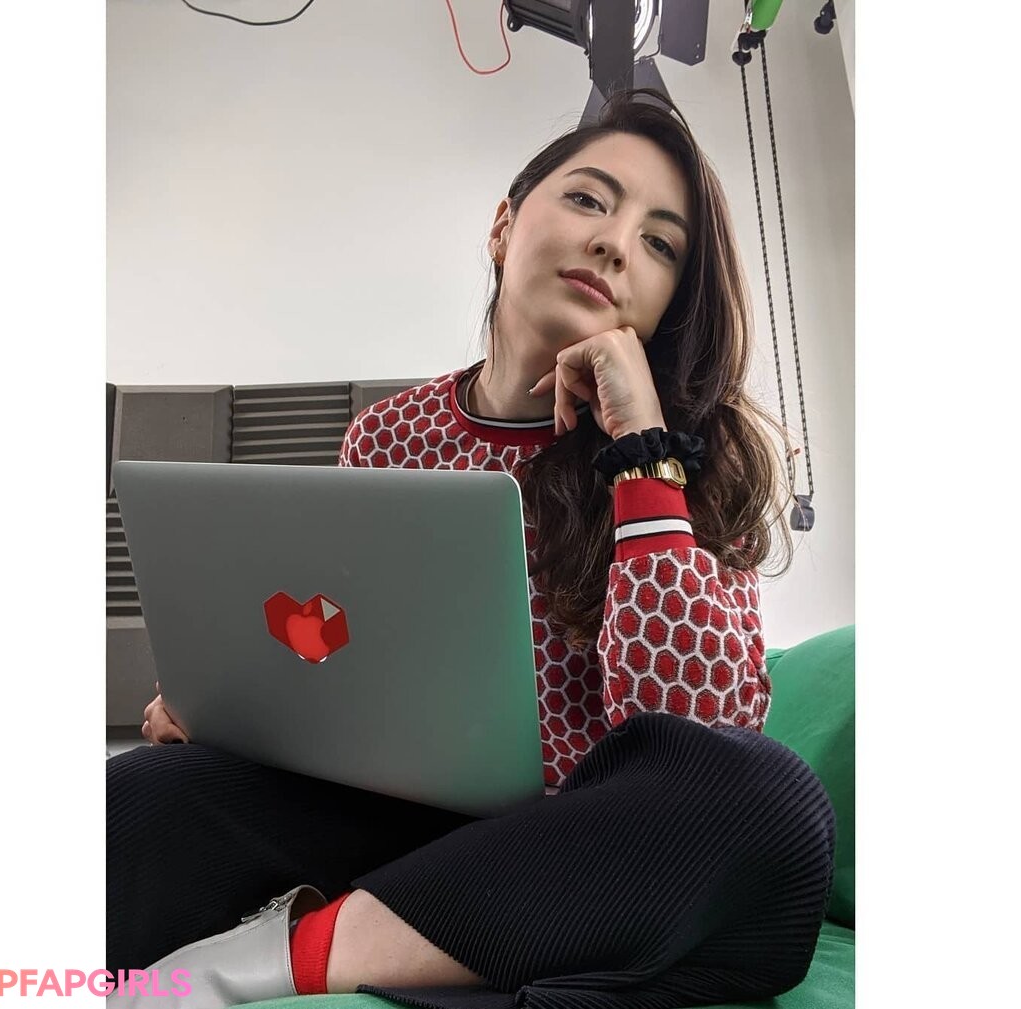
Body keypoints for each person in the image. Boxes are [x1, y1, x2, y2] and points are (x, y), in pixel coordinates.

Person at [107, 88, 835, 1009]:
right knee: (139, 795)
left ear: (665, 305)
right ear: (503, 227)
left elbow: (697, 724)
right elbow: (339, 665)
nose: (617, 244)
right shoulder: (387, 434)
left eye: (660, 244)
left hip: (578, 853)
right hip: (388, 828)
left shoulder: (695, 453)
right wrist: (229, 709)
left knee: (769, 804)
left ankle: (281, 957)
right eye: (589, 199)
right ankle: (426, 950)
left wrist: (641, 448)